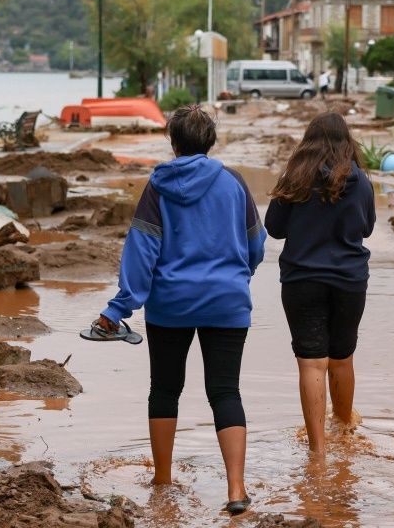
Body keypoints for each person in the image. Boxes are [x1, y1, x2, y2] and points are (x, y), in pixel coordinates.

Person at [95, 105, 265, 515]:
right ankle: (236, 489)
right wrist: (236, 277)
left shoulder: (158, 186)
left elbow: (142, 252)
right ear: (210, 141)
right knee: (225, 392)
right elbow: (256, 244)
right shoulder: (234, 183)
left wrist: (119, 308)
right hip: (227, 303)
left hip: (169, 305)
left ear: (173, 143)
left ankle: (162, 478)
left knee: (165, 389)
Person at [264, 112, 375, 461]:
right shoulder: (361, 181)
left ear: (307, 143)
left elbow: (275, 229)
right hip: (349, 281)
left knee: (312, 364)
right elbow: (367, 228)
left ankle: (318, 451)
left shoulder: (295, 179)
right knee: (342, 358)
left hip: (302, 279)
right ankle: (344, 430)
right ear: (348, 142)